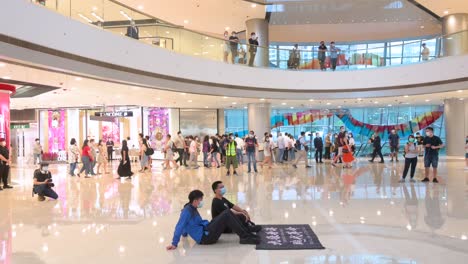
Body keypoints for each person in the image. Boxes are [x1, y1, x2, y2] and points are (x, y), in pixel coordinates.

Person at [166, 190, 259, 250]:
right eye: (200, 200)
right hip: (205, 238)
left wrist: (184, 234)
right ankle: (244, 237)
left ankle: (246, 231)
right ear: (195, 201)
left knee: (227, 212)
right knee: (226, 214)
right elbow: (180, 226)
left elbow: (185, 225)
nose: (201, 202)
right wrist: (174, 243)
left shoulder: (192, 208)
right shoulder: (187, 212)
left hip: (206, 229)